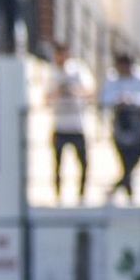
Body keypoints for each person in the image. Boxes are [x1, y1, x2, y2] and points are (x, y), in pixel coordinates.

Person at [101, 52, 140, 204]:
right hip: (120, 125)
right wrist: (119, 100)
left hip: (139, 126)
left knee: (137, 158)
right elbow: (105, 98)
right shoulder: (112, 78)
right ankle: (130, 195)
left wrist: (132, 99)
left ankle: (116, 188)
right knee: (124, 161)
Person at [47, 42, 95, 204]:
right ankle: (58, 196)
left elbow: (90, 92)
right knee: (58, 165)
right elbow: (46, 98)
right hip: (60, 125)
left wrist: (74, 90)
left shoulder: (78, 70)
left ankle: (81, 195)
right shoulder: (52, 73)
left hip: (77, 125)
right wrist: (58, 91)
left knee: (83, 163)